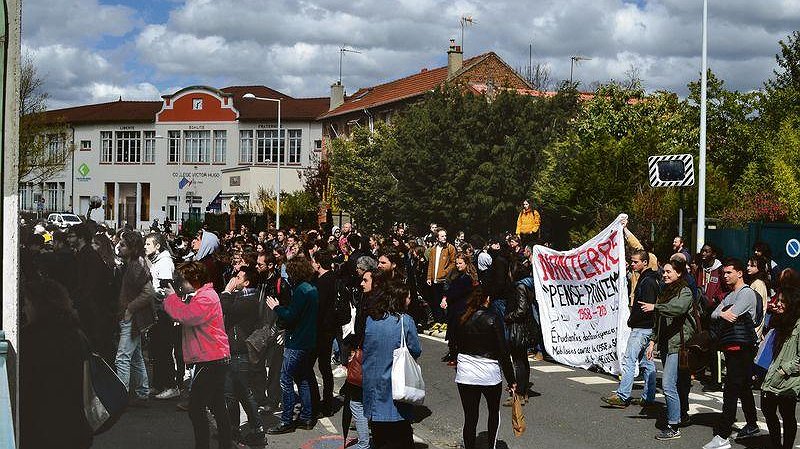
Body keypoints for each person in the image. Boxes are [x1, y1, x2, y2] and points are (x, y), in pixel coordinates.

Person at [164, 261, 233, 449]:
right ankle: (226, 444)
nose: (179, 285)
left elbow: (187, 316)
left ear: (194, 280)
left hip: (212, 358)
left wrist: (171, 298)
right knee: (217, 404)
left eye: (182, 281)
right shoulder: (201, 295)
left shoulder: (207, 297)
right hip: (212, 357)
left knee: (195, 408)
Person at [20, 279, 93, 449]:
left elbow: (26, 386)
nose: (24, 309)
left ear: (39, 305)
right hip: (76, 424)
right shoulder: (76, 334)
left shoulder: (30, 339)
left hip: (41, 427)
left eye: (27, 303)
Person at [703, 258, 761, 449]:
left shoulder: (747, 294)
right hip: (731, 347)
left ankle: (722, 436)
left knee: (730, 390)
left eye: (729, 272)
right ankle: (752, 424)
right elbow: (714, 314)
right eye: (724, 273)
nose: (725, 276)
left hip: (742, 348)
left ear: (739, 273)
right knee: (743, 387)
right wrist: (722, 313)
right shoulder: (729, 295)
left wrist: (723, 313)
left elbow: (733, 315)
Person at [362, 281, 422, 449]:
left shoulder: (371, 320)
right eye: (408, 297)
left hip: (372, 383)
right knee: (400, 434)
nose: (410, 300)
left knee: (379, 435)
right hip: (395, 386)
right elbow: (416, 350)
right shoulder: (405, 321)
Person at [456, 286, 516, 449]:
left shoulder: (462, 317)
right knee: (493, 413)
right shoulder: (493, 318)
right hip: (489, 373)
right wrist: (511, 380)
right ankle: (491, 445)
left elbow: (454, 346)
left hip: (465, 373)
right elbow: (503, 352)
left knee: (470, 417)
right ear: (487, 299)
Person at [265, 256, 319, 434]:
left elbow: (291, 316)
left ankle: (287, 420)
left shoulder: (301, 291)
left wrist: (276, 307)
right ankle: (307, 416)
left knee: (285, 379)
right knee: (302, 378)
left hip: (296, 342)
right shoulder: (311, 289)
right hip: (308, 341)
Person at [642, 258, 695, 441]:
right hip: (666, 344)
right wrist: (652, 342)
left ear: (679, 273)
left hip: (679, 346)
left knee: (668, 384)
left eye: (669, 272)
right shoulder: (665, 291)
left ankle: (673, 426)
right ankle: (682, 415)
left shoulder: (685, 291)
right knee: (680, 382)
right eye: (663, 272)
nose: (664, 274)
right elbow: (659, 321)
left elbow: (677, 309)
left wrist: (655, 306)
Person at [602, 249, 659, 408]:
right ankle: (648, 397)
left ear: (645, 263)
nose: (632, 264)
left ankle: (623, 395)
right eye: (632, 261)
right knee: (647, 364)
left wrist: (632, 319)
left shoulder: (647, 281)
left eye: (635, 262)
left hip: (641, 328)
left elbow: (645, 308)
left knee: (629, 360)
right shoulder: (649, 279)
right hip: (647, 328)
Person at [219, 265, 267, 445]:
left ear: (246, 282)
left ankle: (257, 431)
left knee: (244, 394)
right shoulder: (242, 297)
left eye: (239, 277)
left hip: (240, 353)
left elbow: (227, 308)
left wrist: (226, 291)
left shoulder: (249, 300)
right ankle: (233, 429)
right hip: (232, 351)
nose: (235, 279)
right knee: (231, 394)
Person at [116, 230, 154, 405]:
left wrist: (130, 309)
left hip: (131, 317)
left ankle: (121, 397)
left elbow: (148, 293)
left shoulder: (136, 265)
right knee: (136, 357)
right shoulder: (133, 263)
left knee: (122, 357)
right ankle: (142, 392)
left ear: (132, 248)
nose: (119, 247)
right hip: (133, 317)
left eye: (123, 245)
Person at [761, 286, 800, 449]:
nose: (778, 304)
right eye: (778, 300)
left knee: (787, 415)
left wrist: (785, 369)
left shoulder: (798, 325)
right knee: (767, 410)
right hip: (771, 374)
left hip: (788, 379)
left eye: (783, 301)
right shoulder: (778, 321)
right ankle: (776, 445)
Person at [145, 232, 181, 400]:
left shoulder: (165, 262)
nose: (145, 247)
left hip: (164, 311)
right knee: (157, 347)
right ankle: (159, 384)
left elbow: (167, 288)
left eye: (148, 244)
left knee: (164, 348)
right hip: (157, 309)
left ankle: (170, 385)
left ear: (157, 246)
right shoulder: (156, 261)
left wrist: (153, 293)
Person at [503, 259, 536, 405]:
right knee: (523, 360)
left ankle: (519, 394)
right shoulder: (527, 285)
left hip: (518, 328)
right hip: (525, 327)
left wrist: (509, 317)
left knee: (518, 361)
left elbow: (521, 309)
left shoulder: (519, 287)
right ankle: (524, 392)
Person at [311, 249, 339, 417]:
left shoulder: (323, 281)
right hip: (329, 328)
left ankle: (320, 402)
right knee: (324, 367)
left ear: (319, 263)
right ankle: (327, 402)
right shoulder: (333, 277)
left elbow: (319, 307)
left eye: (314, 261)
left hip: (322, 329)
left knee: (312, 366)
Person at [441, 252, 477, 365]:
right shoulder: (456, 275)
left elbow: (460, 292)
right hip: (454, 307)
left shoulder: (467, 278)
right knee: (453, 333)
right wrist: (445, 298)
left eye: (460, 263)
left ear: (466, 263)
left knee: (458, 334)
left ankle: (458, 356)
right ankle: (454, 354)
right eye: (456, 263)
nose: (458, 265)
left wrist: (449, 297)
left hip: (462, 308)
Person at [427, 228, 456, 327]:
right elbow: (431, 263)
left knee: (445, 301)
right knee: (436, 301)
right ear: (437, 237)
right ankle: (438, 321)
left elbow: (453, 262)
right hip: (435, 280)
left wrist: (445, 272)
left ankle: (446, 322)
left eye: (445, 236)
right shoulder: (433, 249)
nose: (444, 237)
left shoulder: (450, 248)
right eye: (442, 236)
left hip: (445, 279)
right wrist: (429, 277)